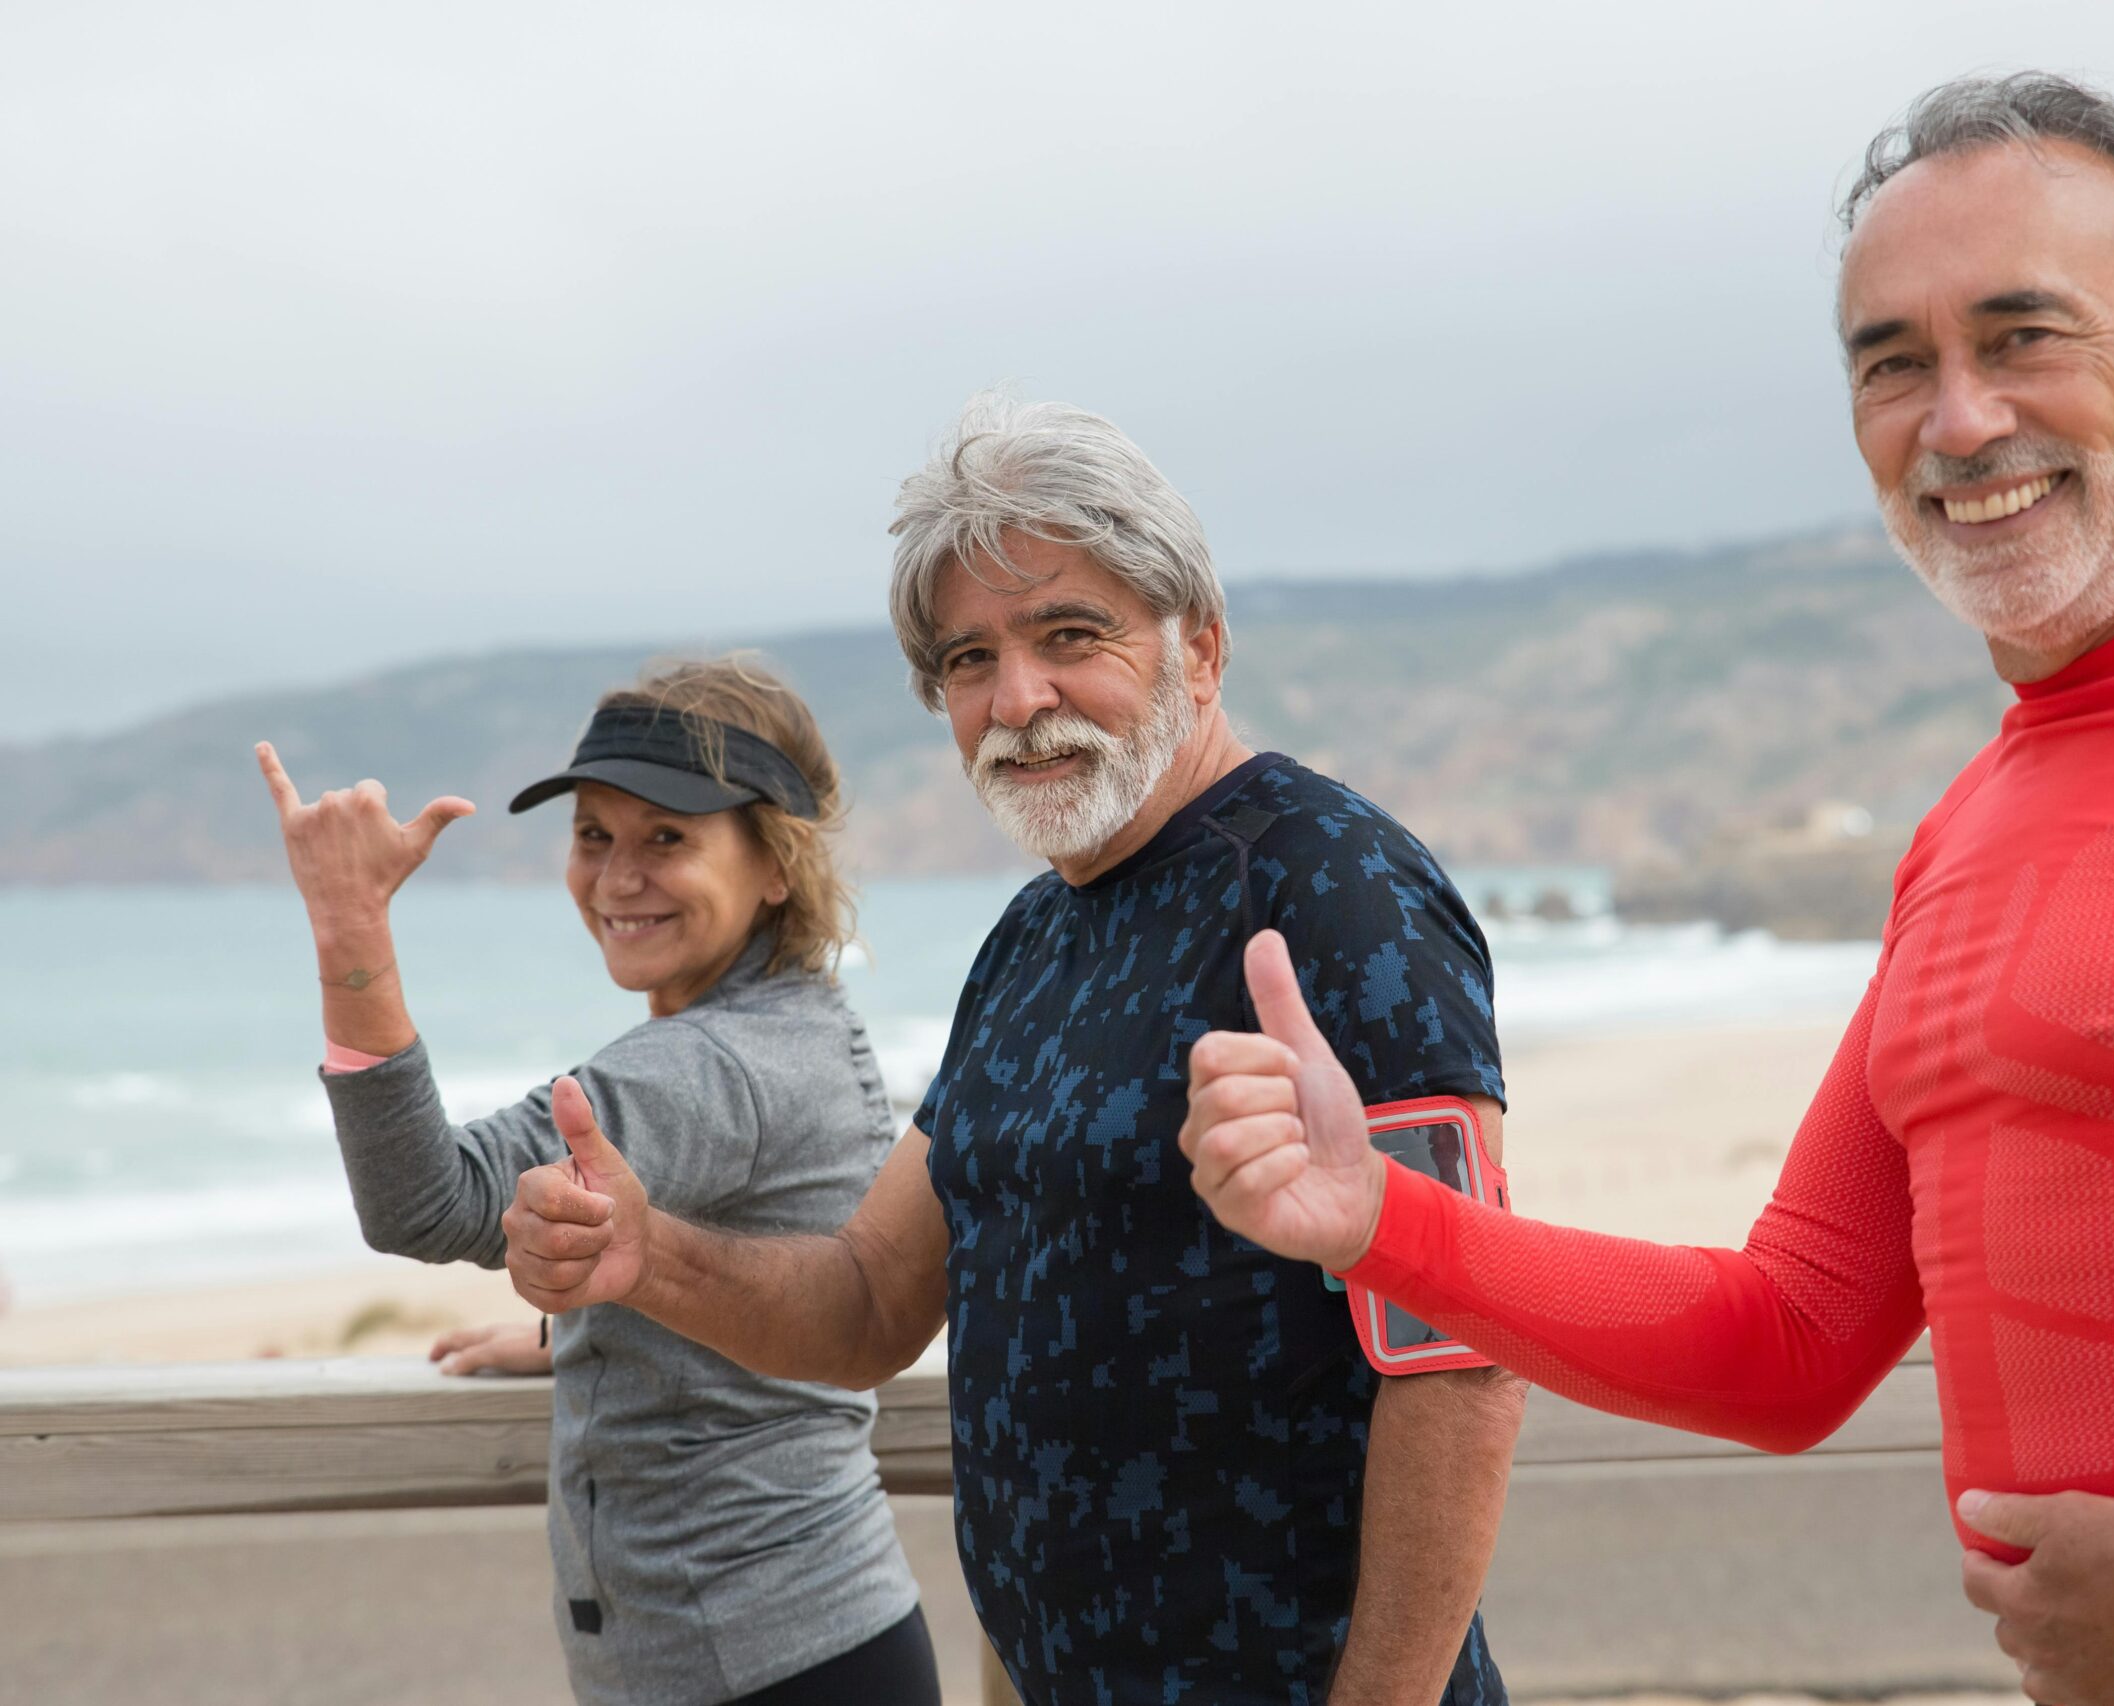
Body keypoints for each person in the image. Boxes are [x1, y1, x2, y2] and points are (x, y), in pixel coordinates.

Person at [1182, 73, 2114, 1706]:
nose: (1957, 417)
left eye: (2022, 334)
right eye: (1892, 362)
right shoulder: (1970, 828)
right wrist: (1380, 1220)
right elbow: (1788, 1338)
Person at [500, 397, 1525, 1705]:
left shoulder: (1334, 888)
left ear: (1198, 646)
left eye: (1069, 635)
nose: (1018, 697)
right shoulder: (1032, 936)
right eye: (970, 659)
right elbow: (872, 1299)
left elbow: (1461, 1354)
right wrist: (649, 1255)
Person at [258, 655, 936, 1706]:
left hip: (753, 1663)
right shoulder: (803, 1020)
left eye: (667, 836)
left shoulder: (712, 1064)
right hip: (816, 1633)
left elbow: (423, 1198)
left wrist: (351, 926)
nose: (618, 876)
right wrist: (584, 1335)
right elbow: (760, 1255)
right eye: (593, 835)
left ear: (775, 863)